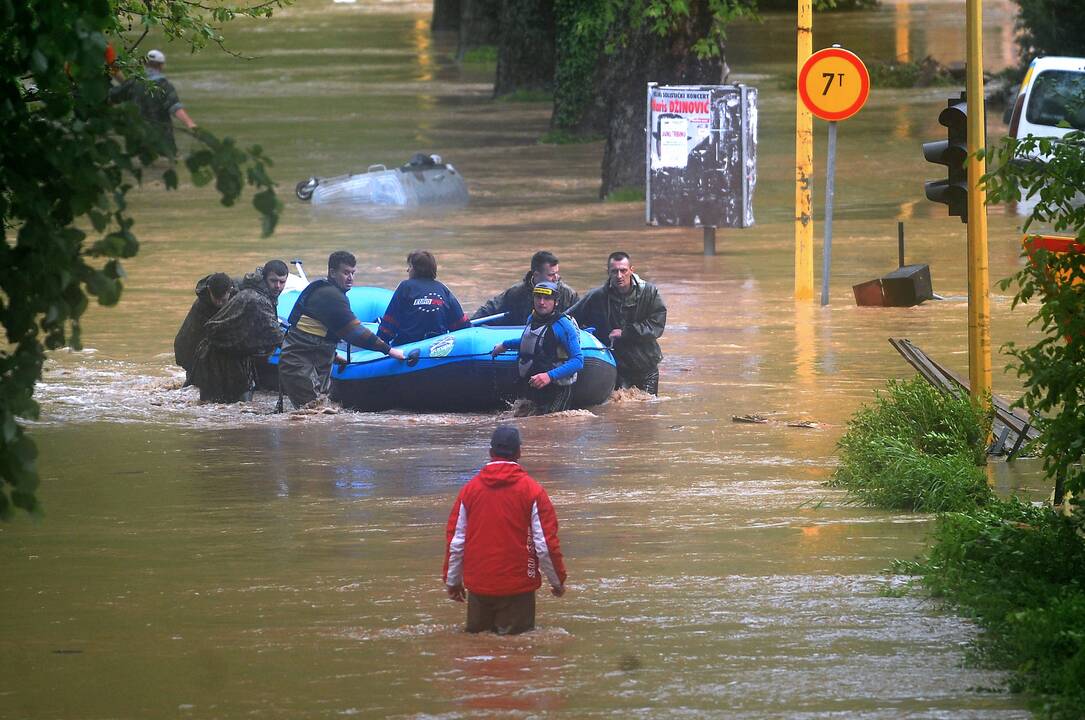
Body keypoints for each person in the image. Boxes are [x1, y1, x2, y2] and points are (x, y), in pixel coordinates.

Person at [443, 426, 566, 635]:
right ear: (519, 452)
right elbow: (544, 545)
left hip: (479, 589)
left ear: (490, 453)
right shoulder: (533, 491)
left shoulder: (469, 491)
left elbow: (456, 542)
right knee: (516, 656)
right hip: (518, 590)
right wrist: (557, 581)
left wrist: (453, 581)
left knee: (478, 655)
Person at [279, 251, 405, 410]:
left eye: (353, 273)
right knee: (313, 414)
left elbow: (319, 332)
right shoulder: (329, 295)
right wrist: (389, 350)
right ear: (332, 272)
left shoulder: (331, 292)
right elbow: (355, 332)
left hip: (313, 362)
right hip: (299, 365)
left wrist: (335, 354)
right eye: (346, 273)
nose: (350, 278)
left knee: (318, 414)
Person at [189, 261, 288, 403]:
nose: (278, 286)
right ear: (265, 278)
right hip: (216, 357)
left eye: (282, 282)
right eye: (273, 281)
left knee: (233, 407)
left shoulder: (254, 289)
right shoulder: (258, 299)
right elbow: (277, 336)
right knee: (234, 407)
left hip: (234, 354)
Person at [570, 251, 667, 395]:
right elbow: (569, 318)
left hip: (646, 366)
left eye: (623, 270)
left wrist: (626, 332)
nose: (619, 276)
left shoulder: (649, 293)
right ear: (608, 272)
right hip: (615, 366)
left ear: (631, 270)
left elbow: (656, 326)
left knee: (647, 411)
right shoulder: (597, 297)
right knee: (618, 409)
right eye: (614, 271)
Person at [490, 282, 583, 415]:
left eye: (547, 298)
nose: (541, 302)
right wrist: (505, 345)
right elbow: (532, 342)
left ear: (556, 302)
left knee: (549, 427)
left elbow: (578, 361)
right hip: (534, 384)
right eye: (538, 297)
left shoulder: (563, 326)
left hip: (556, 389)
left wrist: (549, 376)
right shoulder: (532, 318)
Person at [108, 49, 197, 154]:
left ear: (145, 64)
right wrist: (191, 125)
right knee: (164, 164)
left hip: (136, 138)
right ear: (161, 66)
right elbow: (175, 108)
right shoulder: (164, 86)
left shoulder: (132, 83)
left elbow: (111, 98)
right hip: (162, 139)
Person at [377, 250, 469, 346]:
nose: (407, 270)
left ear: (417, 269)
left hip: (408, 346)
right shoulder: (442, 289)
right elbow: (462, 325)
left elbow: (389, 323)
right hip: (438, 346)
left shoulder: (406, 287)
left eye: (410, 266)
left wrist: (379, 343)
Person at [471, 250, 579, 325]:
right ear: (536, 275)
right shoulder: (515, 293)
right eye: (551, 275)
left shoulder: (569, 295)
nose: (556, 278)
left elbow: (582, 320)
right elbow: (489, 309)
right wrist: (467, 325)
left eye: (557, 273)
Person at [174, 272, 236, 385]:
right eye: (215, 299)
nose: (218, 303)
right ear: (209, 290)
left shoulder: (238, 295)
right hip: (191, 348)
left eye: (222, 300)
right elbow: (187, 341)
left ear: (230, 290)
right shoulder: (200, 307)